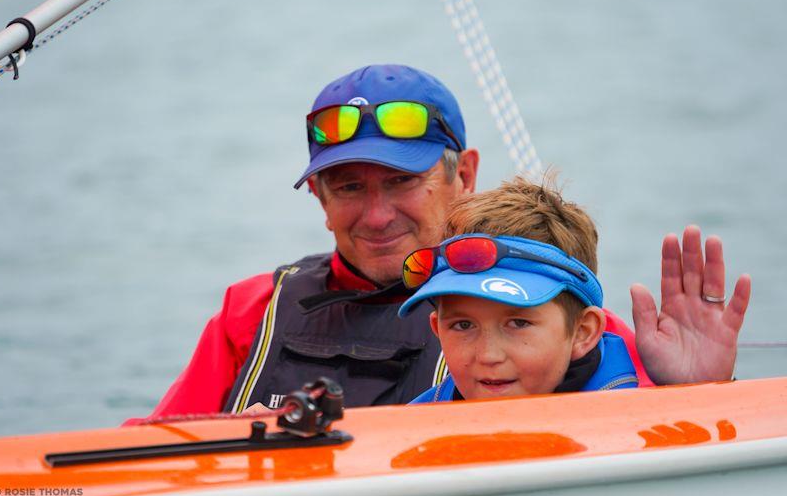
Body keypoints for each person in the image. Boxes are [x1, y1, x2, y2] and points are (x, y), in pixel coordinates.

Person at [123, 64, 749, 424]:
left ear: (465, 175)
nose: (375, 214)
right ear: (318, 198)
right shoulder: (253, 309)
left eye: (402, 182)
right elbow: (148, 451)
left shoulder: (543, 305)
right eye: (347, 186)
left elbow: (641, 442)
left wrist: (700, 395)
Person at [400, 176, 642, 403]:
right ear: (437, 330)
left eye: (518, 323)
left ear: (582, 332)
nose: (488, 356)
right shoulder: (412, 430)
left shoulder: (640, 430)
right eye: (463, 325)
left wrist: (678, 383)